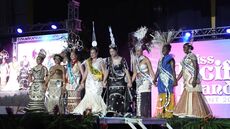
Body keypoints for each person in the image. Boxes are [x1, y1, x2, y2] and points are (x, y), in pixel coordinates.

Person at [173, 43, 212, 118]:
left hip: (191, 78)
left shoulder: (192, 56)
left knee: (194, 95)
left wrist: (194, 79)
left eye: (185, 47)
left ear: (189, 48)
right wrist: (177, 79)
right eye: (183, 47)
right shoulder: (185, 57)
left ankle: (195, 113)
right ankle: (188, 112)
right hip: (186, 79)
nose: (184, 49)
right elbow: (183, 70)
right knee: (187, 94)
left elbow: (196, 68)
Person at [72, 47, 107, 116]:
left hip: (97, 82)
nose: (92, 54)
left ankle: (97, 111)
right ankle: (88, 111)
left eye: (94, 53)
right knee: (88, 96)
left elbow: (104, 72)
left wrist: (104, 80)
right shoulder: (88, 62)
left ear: (97, 53)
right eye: (91, 53)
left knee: (96, 95)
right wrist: (82, 81)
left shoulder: (100, 61)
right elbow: (86, 72)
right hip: (89, 82)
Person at [104, 44, 132, 116]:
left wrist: (130, 82)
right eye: (110, 52)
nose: (111, 53)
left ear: (116, 51)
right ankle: (112, 111)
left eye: (113, 51)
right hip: (111, 82)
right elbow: (106, 71)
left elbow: (126, 71)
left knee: (118, 96)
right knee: (112, 96)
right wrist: (104, 81)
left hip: (120, 82)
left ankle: (119, 112)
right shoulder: (108, 60)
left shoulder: (122, 59)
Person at [131, 44, 155, 118]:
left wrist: (154, 80)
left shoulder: (146, 59)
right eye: (137, 51)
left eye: (139, 51)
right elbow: (135, 73)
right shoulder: (135, 61)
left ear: (142, 51)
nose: (138, 52)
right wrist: (130, 82)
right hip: (138, 82)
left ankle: (145, 116)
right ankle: (139, 115)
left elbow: (151, 70)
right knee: (139, 98)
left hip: (146, 81)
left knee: (144, 98)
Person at [154, 44, 177, 118]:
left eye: (165, 49)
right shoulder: (160, 60)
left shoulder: (171, 59)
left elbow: (173, 70)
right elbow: (158, 70)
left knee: (168, 95)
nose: (163, 50)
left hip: (168, 80)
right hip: (161, 81)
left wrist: (175, 80)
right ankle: (162, 114)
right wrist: (154, 79)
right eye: (162, 49)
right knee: (161, 96)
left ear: (169, 50)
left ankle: (169, 115)